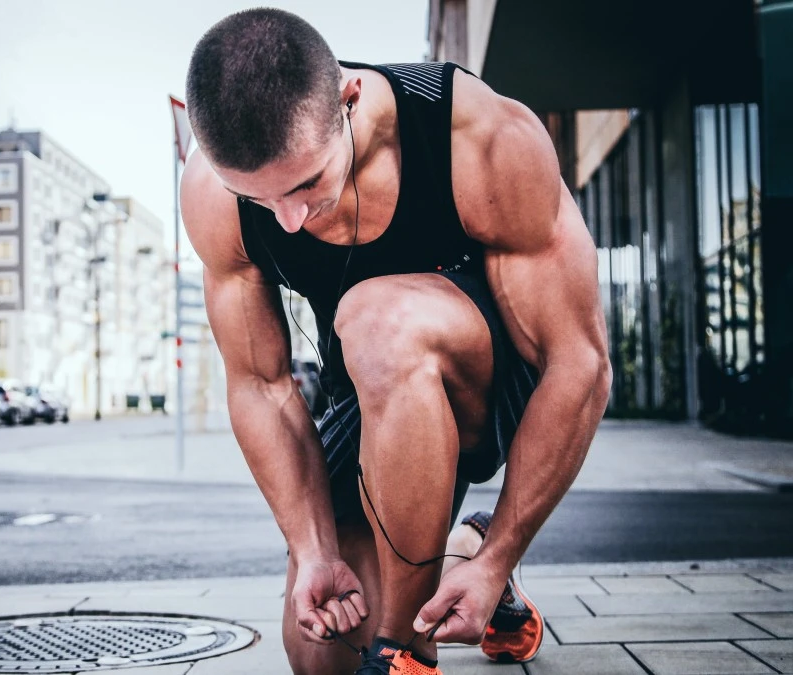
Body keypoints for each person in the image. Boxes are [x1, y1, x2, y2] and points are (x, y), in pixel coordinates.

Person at [180, 9, 611, 675]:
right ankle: (454, 556)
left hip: (493, 384)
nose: (288, 222)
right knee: (321, 651)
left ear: (349, 100)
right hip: (371, 392)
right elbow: (260, 386)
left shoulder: (477, 134)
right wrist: (314, 548)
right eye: (261, 200)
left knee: (378, 316)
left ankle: (406, 654)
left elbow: (578, 362)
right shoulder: (211, 192)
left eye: (304, 185)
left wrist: (503, 552)